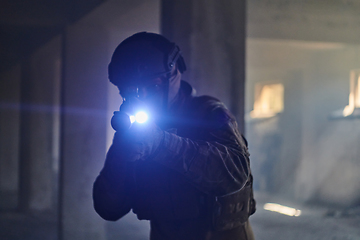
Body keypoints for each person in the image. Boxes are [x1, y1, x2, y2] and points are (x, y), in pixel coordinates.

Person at [92, 32, 256, 240]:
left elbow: (235, 175)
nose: (142, 96)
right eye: (132, 90)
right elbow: (108, 208)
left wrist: (160, 144)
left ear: (175, 72)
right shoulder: (134, 131)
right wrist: (122, 157)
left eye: (152, 85)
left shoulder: (208, 113)